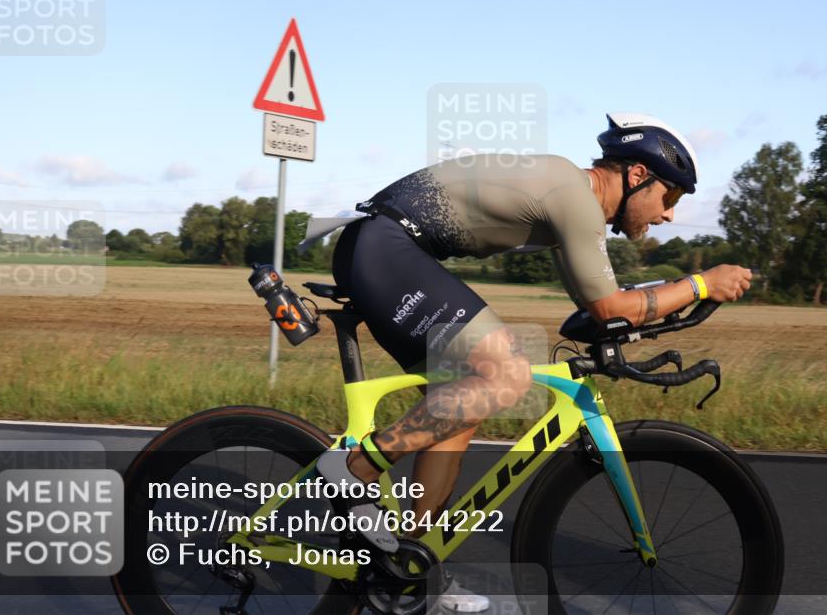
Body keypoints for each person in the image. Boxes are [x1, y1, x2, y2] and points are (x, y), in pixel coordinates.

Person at [316, 112, 753, 612]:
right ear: (637, 176)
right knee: (507, 373)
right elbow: (612, 308)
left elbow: (599, 308)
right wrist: (700, 284)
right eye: (669, 198)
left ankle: (412, 573)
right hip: (385, 247)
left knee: (456, 413)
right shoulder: (574, 197)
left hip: (383, 247)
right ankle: (355, 467)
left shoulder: (572, 202)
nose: (669, 214)